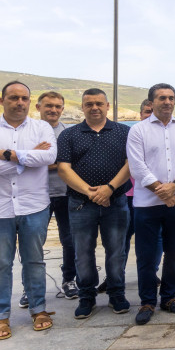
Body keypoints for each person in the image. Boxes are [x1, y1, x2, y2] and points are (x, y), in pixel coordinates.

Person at [0, 81, 57, 340]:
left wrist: (7, 154)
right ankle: (0, 316)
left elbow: (49, 158)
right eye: (13, 98)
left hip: (34, 205)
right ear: (2, 101)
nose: (19, 102)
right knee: (0, 264)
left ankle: (39, 309)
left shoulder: (42, 127)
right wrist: (27, 158)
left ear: (30, 102)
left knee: (34, 260)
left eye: (24, 98)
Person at [56, 88, 132, 319]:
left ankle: (116, 293)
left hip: (116, 201)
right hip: (80, 203)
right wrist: (90, 192)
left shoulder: (124, 132)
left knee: (117, 251)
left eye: (99, 103)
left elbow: (131, 164)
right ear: (82, 107)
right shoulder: (69, 135)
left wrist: (109, 189)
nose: (94, 107)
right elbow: (63, 168)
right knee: (82, 253)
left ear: (108, 106)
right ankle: (87, 296)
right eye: (89, 104)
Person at [127, 83, 175, 325]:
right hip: (147, 204)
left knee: (174, 253)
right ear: (152, 102)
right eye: (162, 98)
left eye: (171, 97)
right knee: (146, 255)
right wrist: (162, 191)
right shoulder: (138, 131)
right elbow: (137, 167)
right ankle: (147, 301)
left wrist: (174, 187)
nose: (167, 102)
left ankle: (169, 297)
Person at [99, 99, 158, 294]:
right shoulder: (132, 133)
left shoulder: (165, 135)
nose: (150, 115)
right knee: (121, 238)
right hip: (128, 194)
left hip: (155, 195)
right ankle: (115, 275)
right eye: (147, 111)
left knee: (154, 238)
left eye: (153, 111)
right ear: (140, 114)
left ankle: (151, 272)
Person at [28, 91, 77, 304]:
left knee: (70, 240)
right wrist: (41, 159)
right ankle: (29, 288)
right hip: (35, 195)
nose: (53, 110)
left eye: (58, 106)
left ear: (63, 109)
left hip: (66, 193)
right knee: (33, 243)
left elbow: (74, 163)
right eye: (48, 106)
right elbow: (18, 159)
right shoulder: (27, 131)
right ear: (38, 107)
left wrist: (41, 159)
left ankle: (69, 281)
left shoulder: (69, 132)